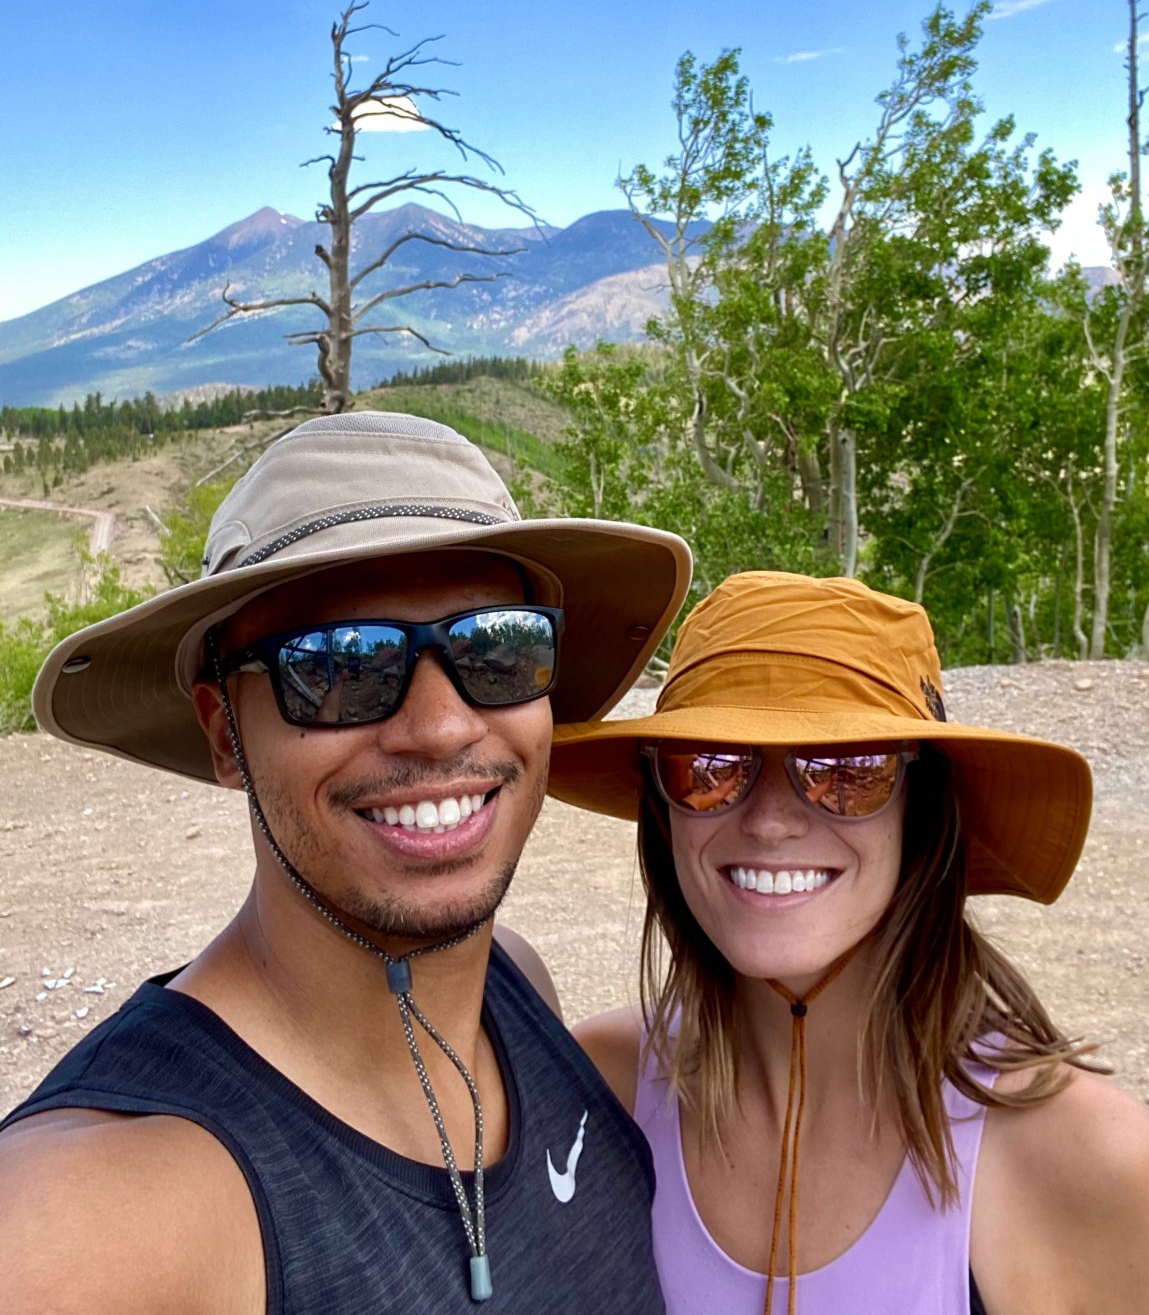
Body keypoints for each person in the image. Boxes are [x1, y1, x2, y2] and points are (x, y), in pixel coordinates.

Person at [0, 410, 692, 1315]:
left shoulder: (516, 989)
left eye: (499, 647)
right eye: (338, 667)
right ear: (225, 734)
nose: (440, 727)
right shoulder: (93, 1215)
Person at [551, 571, 1149, 1315]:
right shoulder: (593, 1092)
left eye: (848, 770)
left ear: (920, 813)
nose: (769, 821)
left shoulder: (1085, 1159)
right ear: (663, 811)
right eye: (708, 767)